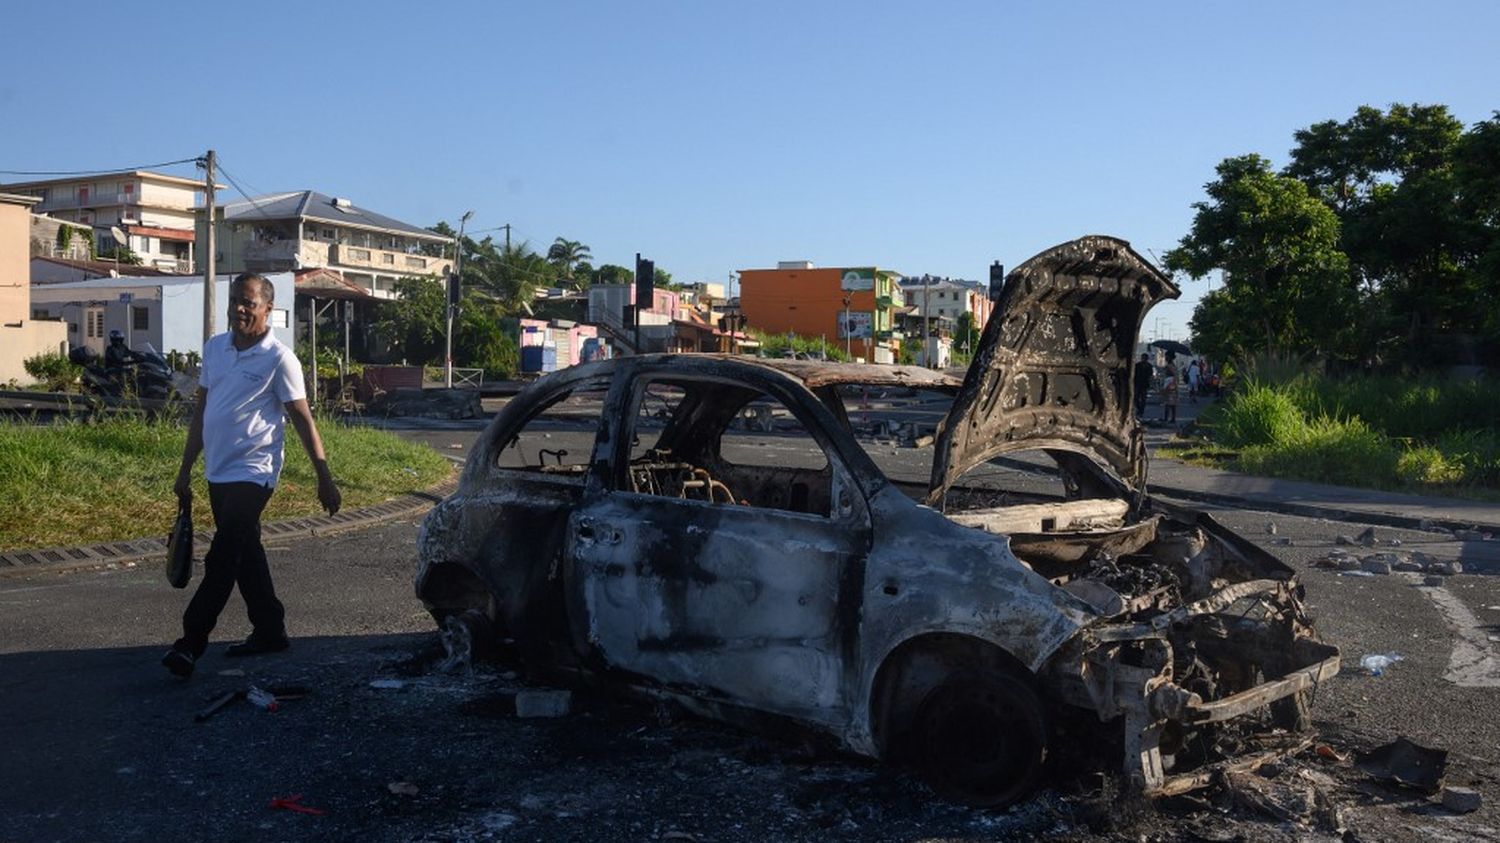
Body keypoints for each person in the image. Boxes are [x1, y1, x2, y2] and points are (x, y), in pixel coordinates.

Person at [161, 273, 341, 678]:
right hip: (218, 470)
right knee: (246, 552)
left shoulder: (280, 359)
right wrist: (185, 470)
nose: (239, 309)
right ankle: (270, 629)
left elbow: (302, 420)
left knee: (224, 555)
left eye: (249, 303)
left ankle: (190, 643)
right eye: (235, 301)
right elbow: (202, 413)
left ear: (266, 309)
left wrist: (323, 476)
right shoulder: (215, 349)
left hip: (255, 471)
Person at [1132, 352, 1153, 419]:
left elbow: (1150, 374)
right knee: (1136, 398)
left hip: (1145, 384)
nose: (1143, 359)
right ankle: (1139, 408)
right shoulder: (1137, 365)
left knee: (1143, 399)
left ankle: (1141, 411)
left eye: (1145, 358)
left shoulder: (1149, 366)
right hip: (1138, 383)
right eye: (1143, 358)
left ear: (1147, 359)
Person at [1162, 353, 1179, 424]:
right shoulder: (1172, 365)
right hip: (1171, 383)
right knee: (1171, 402)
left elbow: (1174, 375)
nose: (1165, 358)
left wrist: (1173, 384)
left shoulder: (1170, 366)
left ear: (1170, 357)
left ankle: (1167, 418)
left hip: (1170, 384)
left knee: (1168, 401)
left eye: (1166, 356)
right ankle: (1171, 418)